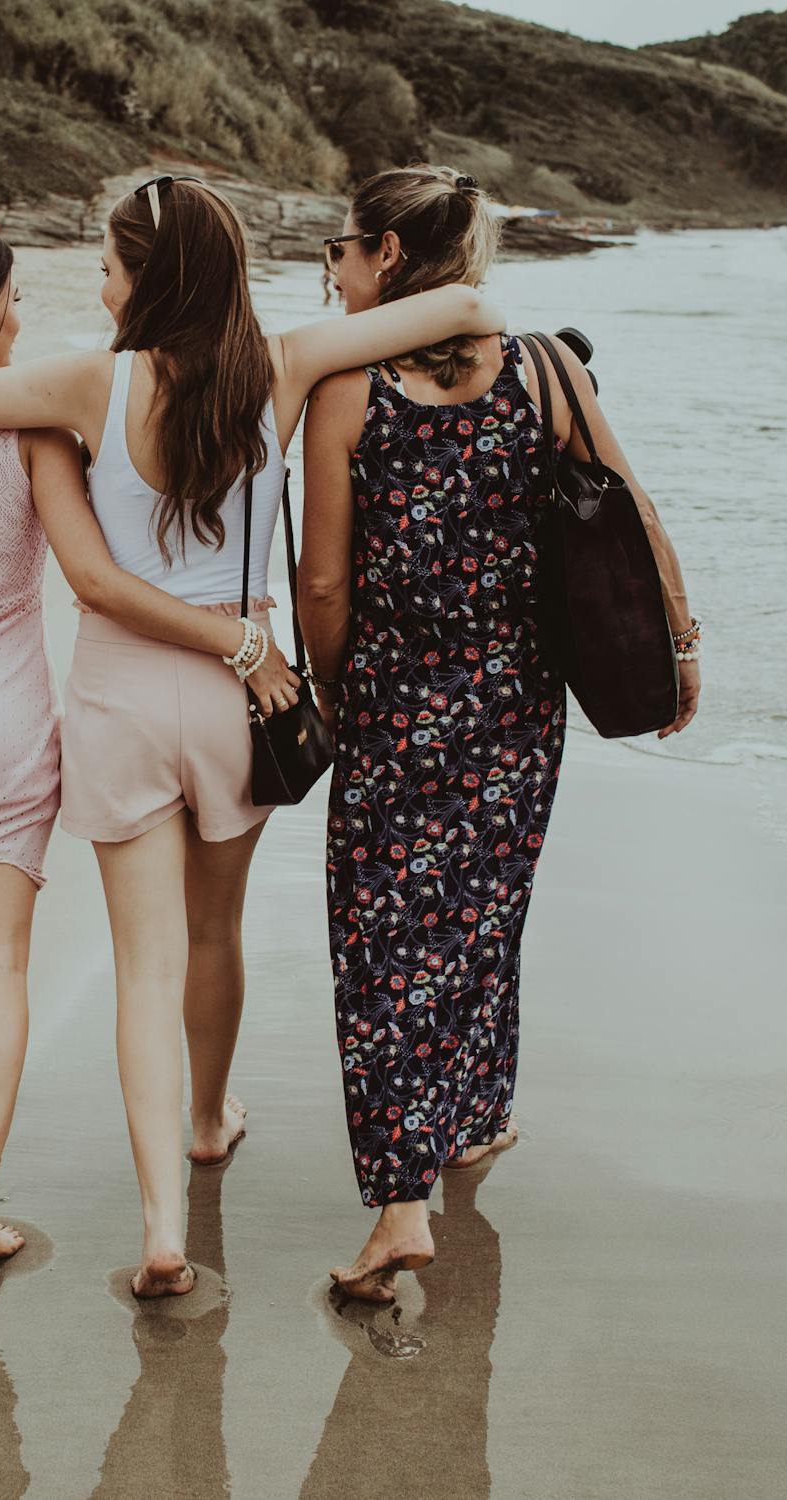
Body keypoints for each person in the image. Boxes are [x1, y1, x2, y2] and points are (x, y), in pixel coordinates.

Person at [0, 177, 507, 1298]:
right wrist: (454, 317)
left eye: (108, 267)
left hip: (124, 697)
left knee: (144, 968)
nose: (97, 287)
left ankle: (159, 1232)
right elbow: (470, 312)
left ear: (149, 280)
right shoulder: (282, 367)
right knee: (213, 937)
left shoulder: (90, 384)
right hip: (246, 694)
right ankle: (207, 1119)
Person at [0, 220, 300, 1263]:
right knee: (6, 965)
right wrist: (238, 633)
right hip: (5, 732)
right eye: (9, 306)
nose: (21, 319)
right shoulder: (34, 435)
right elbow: (94, 570)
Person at [298, 165, 700, 1302]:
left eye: (344, 249)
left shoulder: (348, 390)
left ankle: (399, 1206)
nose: (335, 269)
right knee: (481, 914)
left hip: (394, 704)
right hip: (518, 705)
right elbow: (631, 506)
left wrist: (331, 697)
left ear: (384, 256)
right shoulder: (543, 369)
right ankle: (472, 1119)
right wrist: (683, 641)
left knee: (382, 947)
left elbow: (323, 581)